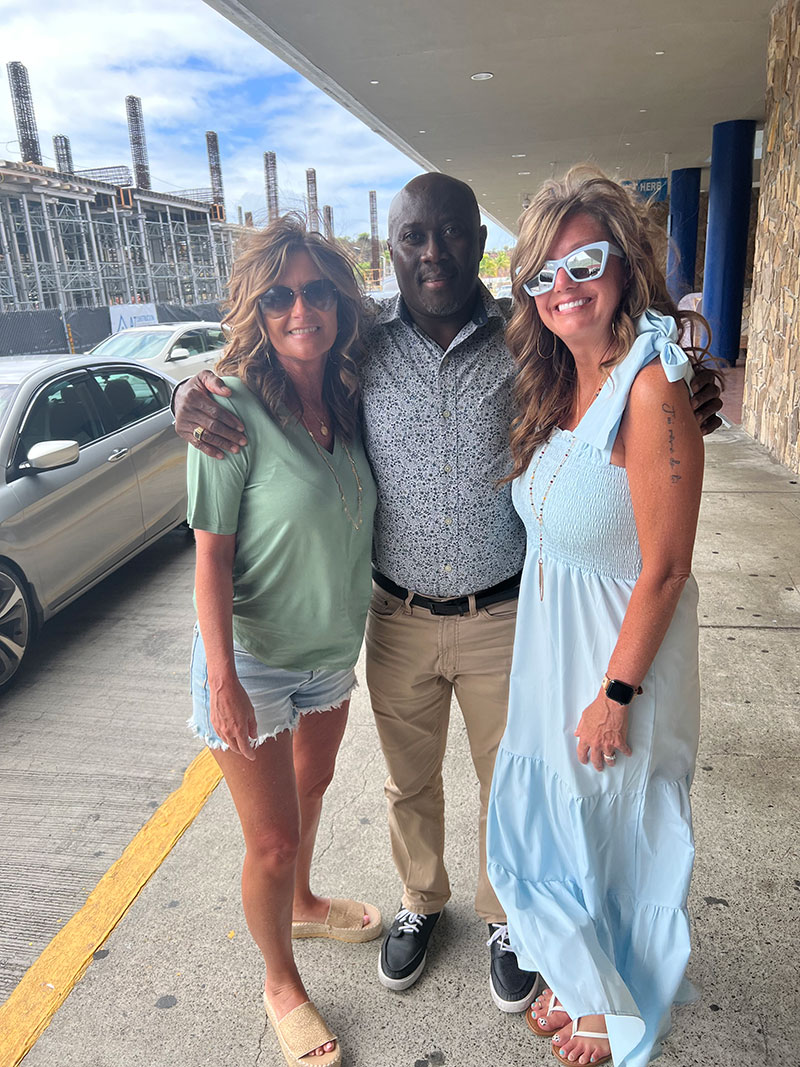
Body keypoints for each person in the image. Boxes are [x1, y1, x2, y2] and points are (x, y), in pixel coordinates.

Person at [173, 174, 723, 1017]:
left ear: (480, 239)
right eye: (413, 237)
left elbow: (610, 375)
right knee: (408, 781)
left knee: (511, 780)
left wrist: (688, 390)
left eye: (453, 232)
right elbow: (277, 357)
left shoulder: (526, 335)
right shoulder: (360, 342)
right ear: (392, 249)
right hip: (396, 614)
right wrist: (186, 393)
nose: (434, 252)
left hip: (504, 613)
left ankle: (507, 916)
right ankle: (422, 898)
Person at [486, 167, 711, 1067]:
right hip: (554, 652)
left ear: (624, 263)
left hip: (620, 661)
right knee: (557, 824)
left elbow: (668, 567)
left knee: (612, 831)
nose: (564, 286)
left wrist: (616, 694)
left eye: (583, 262)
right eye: (544, 272)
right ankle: (585, 980)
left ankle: (612, 1006)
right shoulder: (558, 382)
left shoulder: (651, 388)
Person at [185, 216, 380, 1067]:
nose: (301, 309)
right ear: (256, 311)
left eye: (316, 291)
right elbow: (210, 558)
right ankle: (280, 981)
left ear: (339, 300)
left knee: (314, 786)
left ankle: (301, 902)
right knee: (269, 838)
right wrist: (222, 677)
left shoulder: (350, 394)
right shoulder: (228, 409)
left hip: (330, 653)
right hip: (254, 660)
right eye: (279, 297)